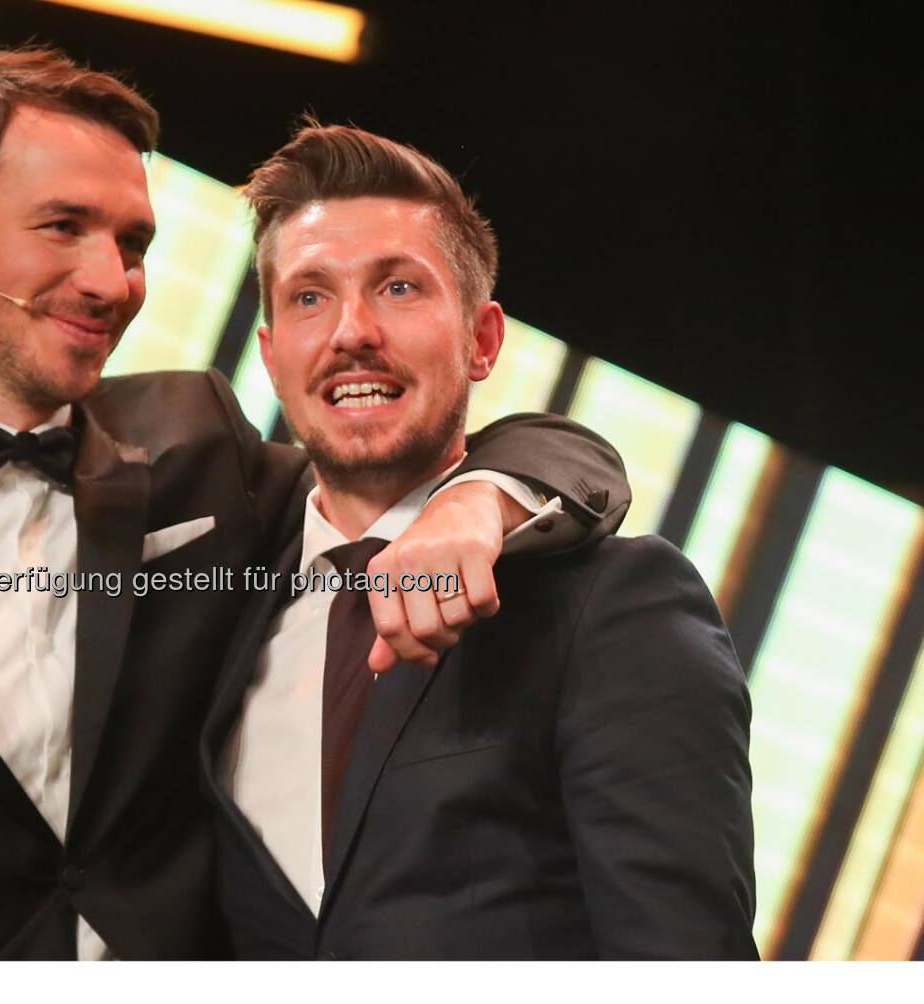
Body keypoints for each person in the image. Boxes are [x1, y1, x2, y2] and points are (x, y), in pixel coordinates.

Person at [0, 50, 630, 960]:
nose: (111, 279)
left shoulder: (199, 446)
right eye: (64, 227)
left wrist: (476, 504)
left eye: (133, 241)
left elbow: (546, 452)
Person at [203, 123, 756, 959]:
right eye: (310, 296)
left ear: (482, 340)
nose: (352, 330)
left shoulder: (615, 604)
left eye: (398, 289)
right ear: (273, 357)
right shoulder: (215, 602)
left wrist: (481, 501)